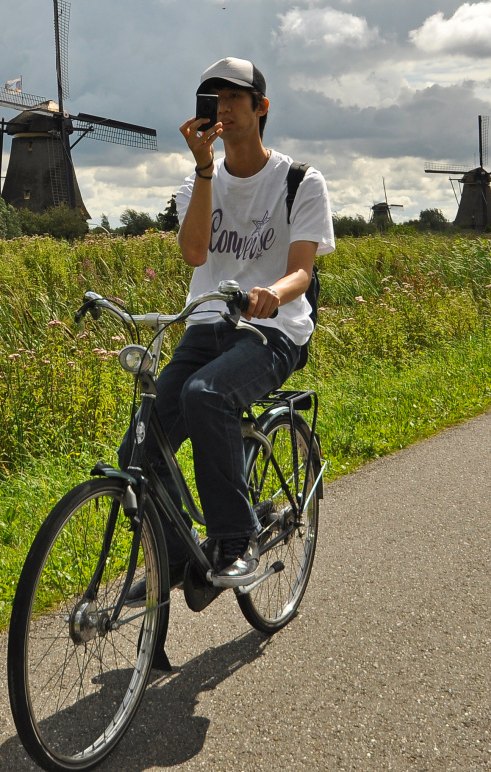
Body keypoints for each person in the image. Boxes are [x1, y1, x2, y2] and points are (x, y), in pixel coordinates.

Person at [120, 57, 335, 589]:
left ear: (261, 108)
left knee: (207, 395)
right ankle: (174, 557)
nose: (224, 109)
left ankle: (234, 541)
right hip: (206, 325)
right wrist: (202, 167)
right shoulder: (198, 182)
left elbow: (303, 270)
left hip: (273, 330)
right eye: (214, 100)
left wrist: (272, 294)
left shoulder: (299, 181)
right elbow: (194, 254)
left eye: (236, 98)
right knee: (141, 444)